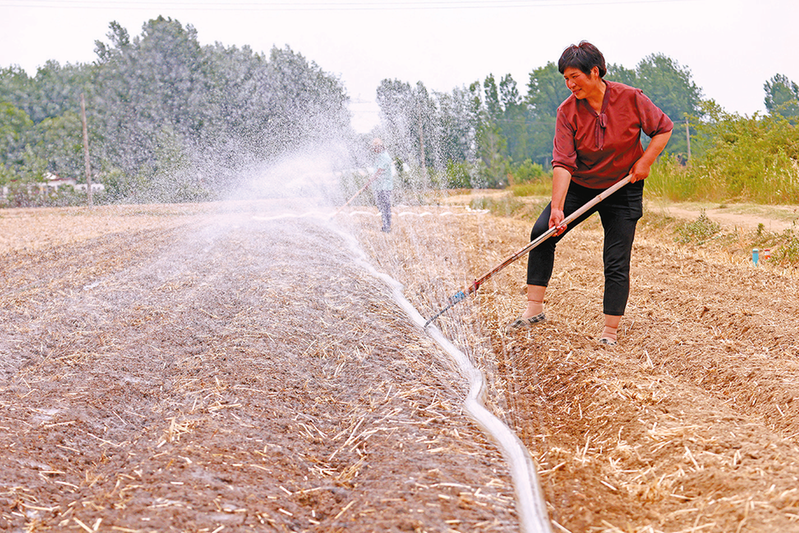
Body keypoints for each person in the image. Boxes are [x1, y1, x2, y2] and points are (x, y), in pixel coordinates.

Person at [507, 41, 673, 346]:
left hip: (623, 187)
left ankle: (610, 331)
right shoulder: (567, 112)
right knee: (542, 232)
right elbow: (563, 162)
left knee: (616, 259)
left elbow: (663, 129)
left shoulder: (630, 98)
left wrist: (645, 162)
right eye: (566, 79)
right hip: (581, 186)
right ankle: (533, 310)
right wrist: (558, 207)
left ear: (594, 72)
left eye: (575, 77)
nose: (570, 85)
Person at [371, 138, 394, 232]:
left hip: (385, 186)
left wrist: (369, 182)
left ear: (379, 147)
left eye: (375, 147)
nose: (373, 149)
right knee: (381, 206)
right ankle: (385, 224)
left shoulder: (385, 157)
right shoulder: (379, 156)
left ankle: (387, 226)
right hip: (379, 186)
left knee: (385, 206)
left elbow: (379, 171)